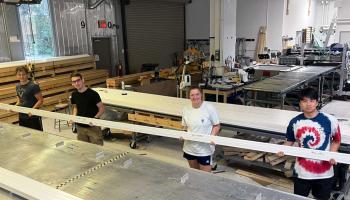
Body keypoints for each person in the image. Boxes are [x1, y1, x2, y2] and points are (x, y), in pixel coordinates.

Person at [277, 87, 341, 200]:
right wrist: (283, 149)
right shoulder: (294, 122)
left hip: (324, 173)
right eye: (305, 101)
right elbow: (290, 140)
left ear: (317, 102)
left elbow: (336, 140)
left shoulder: (330, 120)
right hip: (302, 172)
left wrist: (332, 154)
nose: (308, 104)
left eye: (312, 100)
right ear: (300, 103)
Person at [181, 86, 220, 172]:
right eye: (192, 95)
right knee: (195, 173)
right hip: (189, 148)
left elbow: (217, 125)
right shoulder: (185, 109)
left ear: (201, 95)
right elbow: (184, 127)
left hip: (204, 149)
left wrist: (212, 136)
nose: (195, 97)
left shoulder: (209, 108)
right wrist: (183, 134)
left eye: (197, 94)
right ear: (189, 96)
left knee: (205, 177)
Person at [70, 73, 105, 145]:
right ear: (72, 84)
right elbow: (76, 107)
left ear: (83, 80)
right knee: (84, 149)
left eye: (78, 80)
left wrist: (94, 118)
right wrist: (73, 117)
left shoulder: (93, 94)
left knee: (97, 149)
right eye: (74, 82)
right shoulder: (74, 94)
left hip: (93, 127)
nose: (76, 83)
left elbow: (101, 108)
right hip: (80, 127)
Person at [15, 66, 43, 131]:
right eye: (19, 75)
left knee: (37, 135)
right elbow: (19, 101)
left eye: (23, 74)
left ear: (27, 74)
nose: (21, 76)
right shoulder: (17, 86)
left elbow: (40, 100)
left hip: (32, 116)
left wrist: (32, 110)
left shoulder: (33, 85)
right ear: (16, 75)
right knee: (25, 135)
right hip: (22, 116)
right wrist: (13, 107)